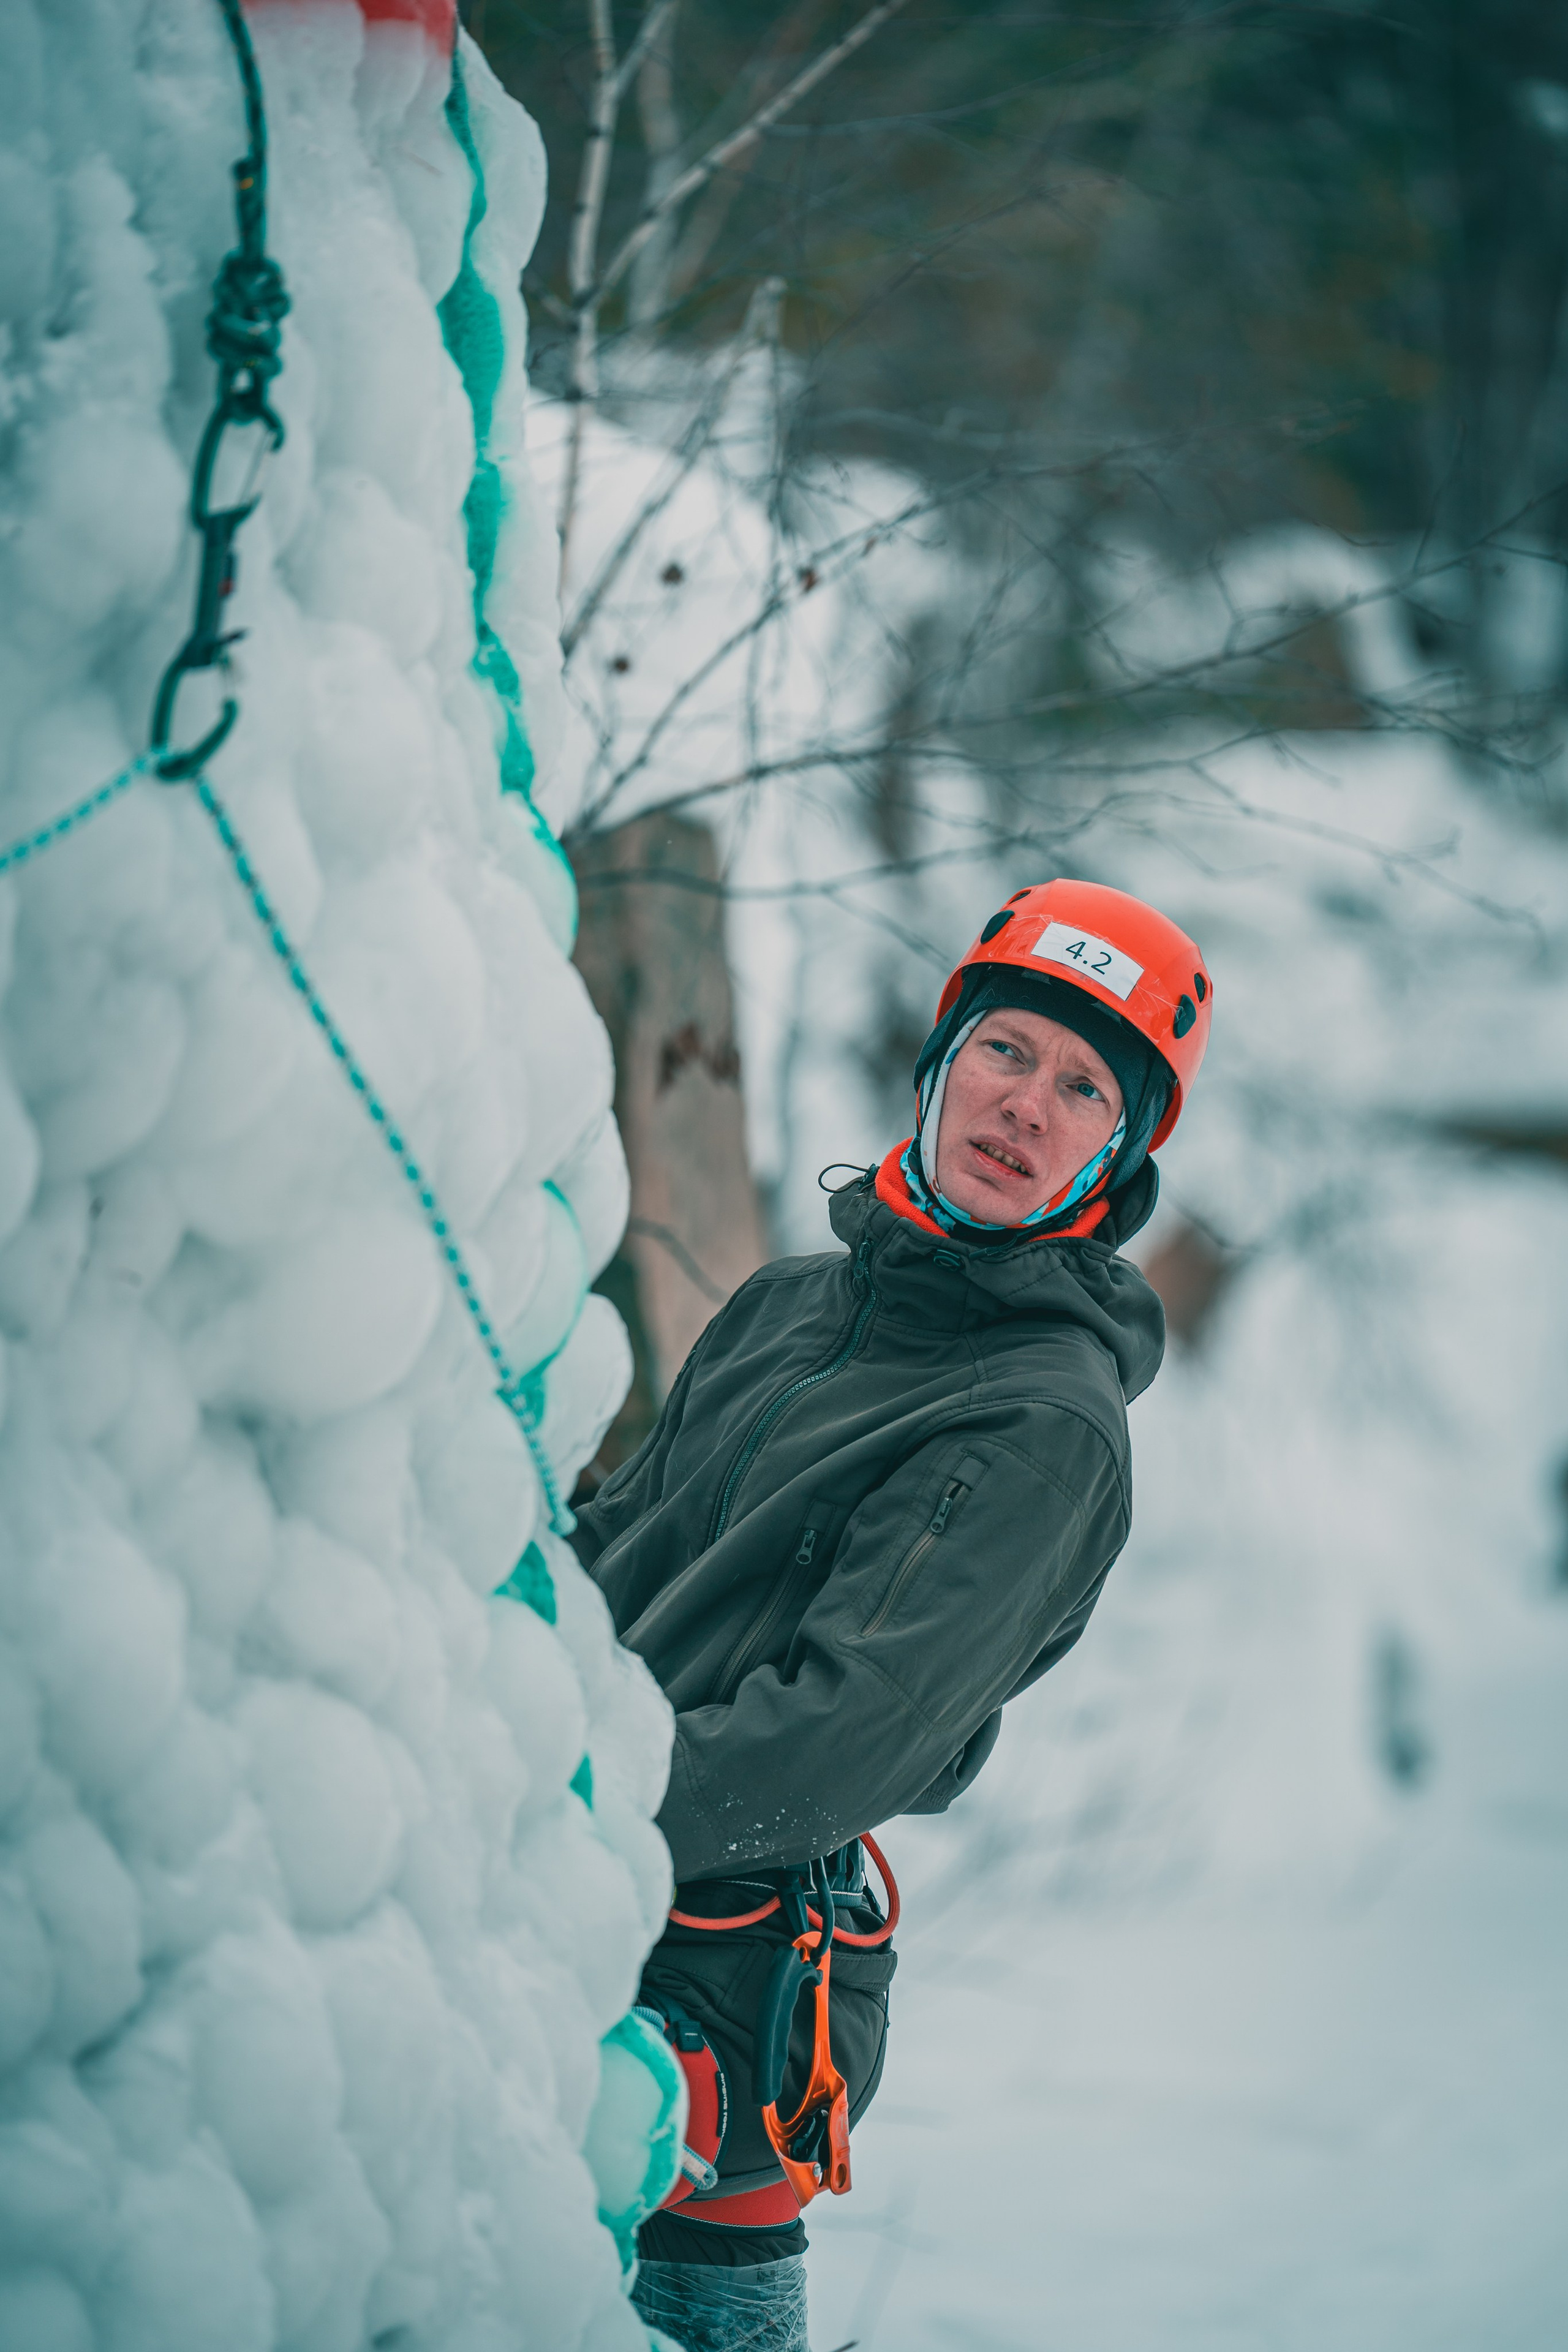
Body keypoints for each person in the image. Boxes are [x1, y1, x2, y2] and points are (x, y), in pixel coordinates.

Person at [571, 879, 1213, 2351]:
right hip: (556, 1918)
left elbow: (825, 1743)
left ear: (1112, 1157)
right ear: (937, 1066)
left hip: (695, 2024)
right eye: (1004, 1051)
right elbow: (616, 1548)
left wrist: (550, 1818)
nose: (1024, 1107)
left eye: (1081, 1090)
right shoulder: (791, 1303)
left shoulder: (1044, 1421)